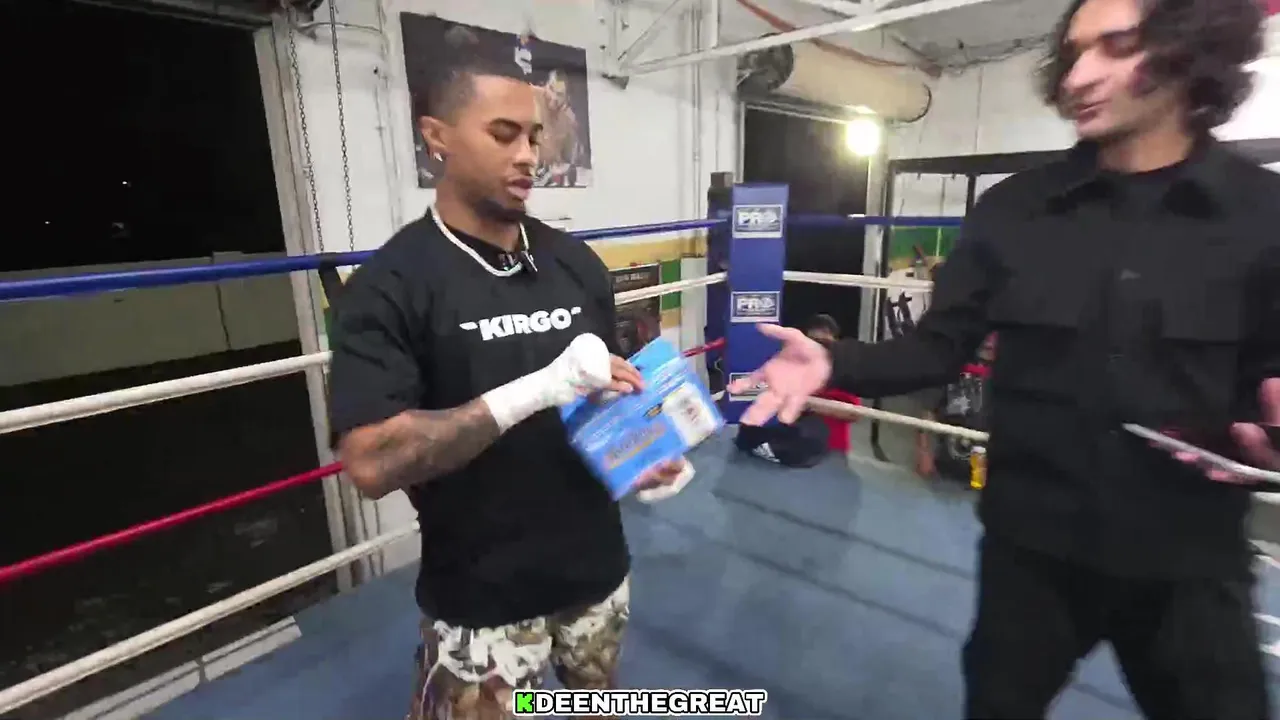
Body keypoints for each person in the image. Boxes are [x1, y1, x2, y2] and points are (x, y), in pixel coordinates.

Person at [729, 0, 1280, 716]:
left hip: (1190, 565)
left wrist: (1268, 435)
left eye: (1116, 47)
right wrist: (833, 363)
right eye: (1074, 52)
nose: (1078, 76)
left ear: (1192, 49)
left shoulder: (1262, 215)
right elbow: (935, 348)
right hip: (1032, 559)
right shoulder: (1014, 212)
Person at [327, 41, 688, 720]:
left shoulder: (574, 263)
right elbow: (370, 463)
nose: (528, 156)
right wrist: (534, 391)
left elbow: (605, 395)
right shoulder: (390, 287)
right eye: (503, 134)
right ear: (436, 137)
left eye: (534, 136)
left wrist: (638, 455)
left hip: (596, 573)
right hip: (481, 599)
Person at [734, 314, 859, 466]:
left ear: (834, 341)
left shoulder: (843, 373)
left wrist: (811, 405)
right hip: (800, 448)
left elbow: (853, 414)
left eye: (824, 343)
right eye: (814, 342)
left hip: (834, 451)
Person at [914, 333, 996, 479]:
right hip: (947, 465)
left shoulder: (1009, 376)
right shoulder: (951, 366)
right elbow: (927, 411)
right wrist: (924, 451)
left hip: (988, 469)